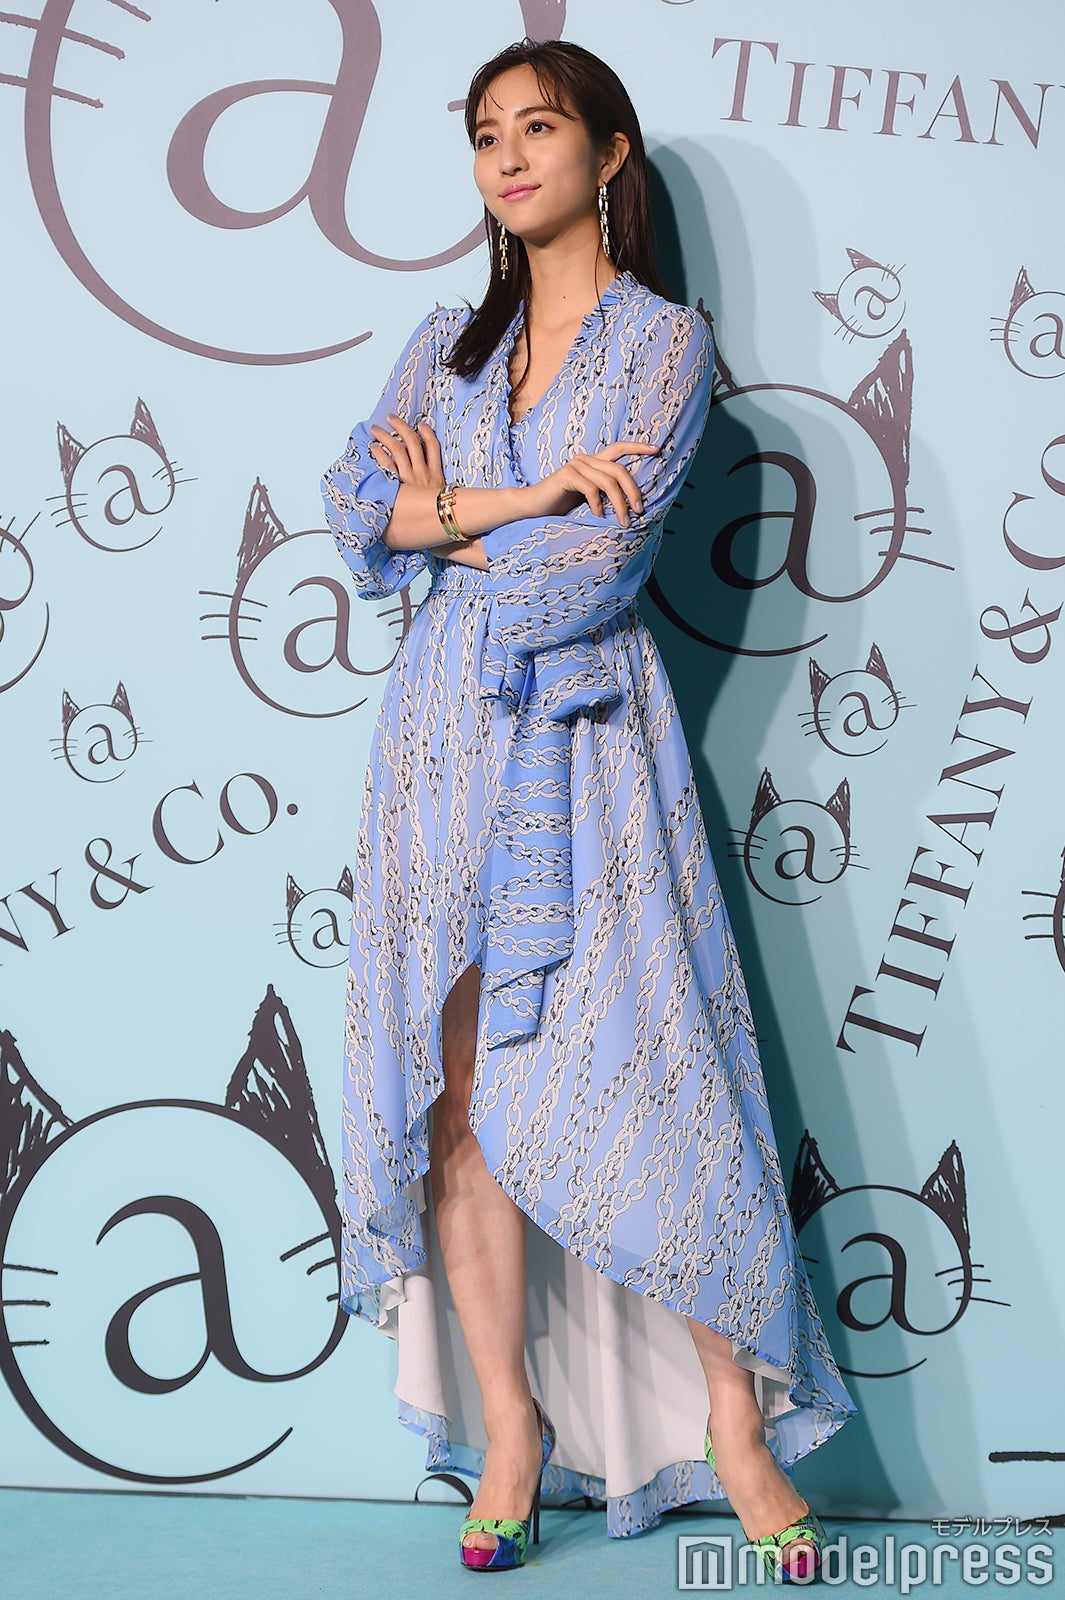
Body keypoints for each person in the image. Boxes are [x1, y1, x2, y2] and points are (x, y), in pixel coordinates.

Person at [321, 36, 856, 1577]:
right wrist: (528, 494)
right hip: (435, 753)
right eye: (484, 132)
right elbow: (353, 510)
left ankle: (735, 1421)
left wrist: (450, 529)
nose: (505, 156)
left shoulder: (662, 345)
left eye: (537, 127)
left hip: (592, 747)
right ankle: (510, 1426)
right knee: (459, 1098)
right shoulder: (441, 347)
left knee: (654, 1071)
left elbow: (594, 574)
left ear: (607, 153)